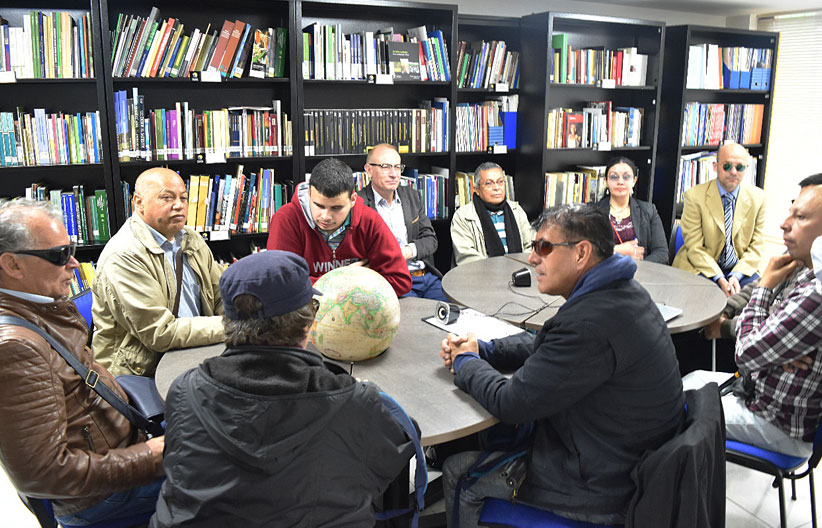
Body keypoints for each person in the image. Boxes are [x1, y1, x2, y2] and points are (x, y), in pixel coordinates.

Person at [439, 203, 685, 526]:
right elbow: (546, 345)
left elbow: (510, 402)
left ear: (581, 253)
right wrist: (485, 350)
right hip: (624, 457)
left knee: (459, 474)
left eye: (543, 247)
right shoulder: (621, 293)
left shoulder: (589, 322)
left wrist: (466, 362)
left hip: (600, 488)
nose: (532, 258)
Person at [151, 250, 415, 527]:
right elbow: (399, 447)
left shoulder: (185, 390)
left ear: (228, 321)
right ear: (307, 323)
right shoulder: (350, 401)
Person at [0, 200, 164, 526]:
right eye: (59, 256)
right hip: (104, 497)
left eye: (70, 249)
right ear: (12, 265)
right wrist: (154, 456)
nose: (73, 263)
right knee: (237, 474)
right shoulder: (16, 349)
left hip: (121, 451)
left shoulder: (44, 305)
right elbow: (45, 475)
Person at [685, 174, 822, 458]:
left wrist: (765, 292)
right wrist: (771, 343)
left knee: (673, 404)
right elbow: (759, 331)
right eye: (791, 211)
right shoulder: (802, 260)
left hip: (774, 421)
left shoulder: (817, 293)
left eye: (801, 217)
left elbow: (746, 352)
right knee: (692, 377)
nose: (784, 224)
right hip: (751, 390)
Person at [92, 167, 225, 377]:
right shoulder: (124, 255)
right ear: (139, 202)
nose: (179, 206)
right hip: (144, 371)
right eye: (167, 198)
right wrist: (232, 327)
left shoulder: (190, 239)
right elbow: (160, 333)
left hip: (198, 350)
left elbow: (221, 294)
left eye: (183, 197)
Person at [267, 157, 412, 297]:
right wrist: (343, 280)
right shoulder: (286, 219)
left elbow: (400, 281)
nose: (325, 216)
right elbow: (279, 285)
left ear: (353, 200)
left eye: (336, 208)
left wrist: (314, 283)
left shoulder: (369, 220)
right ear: (310, 194)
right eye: (319, 205)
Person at [673, 142, 766, 297]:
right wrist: (721, 278)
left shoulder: (759, 198)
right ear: (715, 166)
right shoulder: (695, 196)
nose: (733, 172)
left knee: (759, 295)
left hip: (739, 269)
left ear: (747, 169)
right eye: (727, 166)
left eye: (740, 167)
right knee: (709, 297)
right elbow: (694, 248)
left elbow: (756, 247)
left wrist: (736, 275)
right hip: (701, 266)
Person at [358, 143, 448, 301]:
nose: (394, 174)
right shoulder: (359, 204)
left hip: (426, 277)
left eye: (397, 167)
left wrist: (406, 251)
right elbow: (362, 255)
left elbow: (430, 240)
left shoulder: (412, 196)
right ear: (368, 169)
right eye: (386, 167)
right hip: (392, 283)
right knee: (417, 321)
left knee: (453, 313)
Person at [450, 162, 534, 266]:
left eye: (500, 182)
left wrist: (519, 268)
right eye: (489, 183)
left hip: (518, 273)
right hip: (481, 277)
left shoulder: (517, 210)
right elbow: (467, 258)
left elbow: (530, 247)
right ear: (477, 189)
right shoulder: (463, 216)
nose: (496, 188)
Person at [594, 156, 668, 263]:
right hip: (603, 273)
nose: (620, 182)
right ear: (605, 181)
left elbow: (661, 252)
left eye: (626, 177)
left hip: (641, 274)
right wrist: (617, 250)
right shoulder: (592, 212)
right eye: (614, 177)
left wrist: (637, 268)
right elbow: (586, 251)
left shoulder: (649, 211)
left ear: (634, 181)